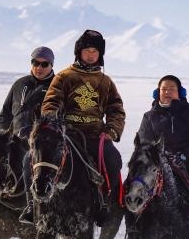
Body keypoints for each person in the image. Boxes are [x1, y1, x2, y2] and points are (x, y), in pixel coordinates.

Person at [39, 30, 126, 216]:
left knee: (114, 160)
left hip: (96, 135)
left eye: (95, 51)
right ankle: (35, 205)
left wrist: (111, 131)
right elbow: (51, 102)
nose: (91, 55)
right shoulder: (64, 76)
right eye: (87, 50)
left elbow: (116, 108)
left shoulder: (105, 81)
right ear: (79, 52)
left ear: (100, 54)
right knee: (39, 161)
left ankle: (106, 203)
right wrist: (53, 122)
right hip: (67, 134)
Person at [129, 74, 189, 239]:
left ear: (180, 92)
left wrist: (186, 156)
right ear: (157, 93)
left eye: (172, 89)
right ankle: (133, 232)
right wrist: (155, 158)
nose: (167, 92)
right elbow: (144, 143)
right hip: (155, 164)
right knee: (131, 186)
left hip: (186, 163)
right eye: (164, 89)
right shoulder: (149, 116)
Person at [0, 46, 55, 230]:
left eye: (44, 64)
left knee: (35, 169)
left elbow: (56, 116)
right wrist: (2, 135)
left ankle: (40, 210)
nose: (40, 67)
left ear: (51, 65)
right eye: (36, 63)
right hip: (12, 138)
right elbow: (5, 113)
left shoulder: (56, 86)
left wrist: (35, 132)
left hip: (39, 142)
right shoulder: (20, 84)